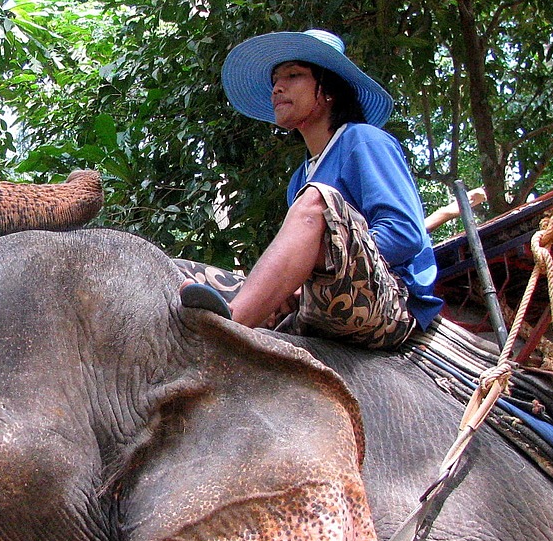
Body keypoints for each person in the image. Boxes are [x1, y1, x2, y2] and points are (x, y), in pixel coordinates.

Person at [178, 29, 443, 350]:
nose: (277, 87)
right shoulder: (299, 179)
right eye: (276, 78)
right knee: (178, 272)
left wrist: (314, 273)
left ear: (328, 89)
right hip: (317, 300)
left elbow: (405, 234)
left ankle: (228, 329)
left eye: (293, 75)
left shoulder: (364, 141)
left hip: (388, 302)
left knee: (317, 201)